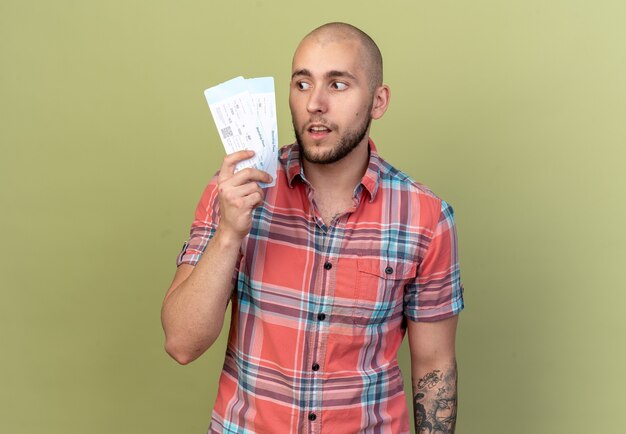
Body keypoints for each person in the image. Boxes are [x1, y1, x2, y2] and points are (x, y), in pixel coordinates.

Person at [161, 22, 464, 434]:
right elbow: (181, 343)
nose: (315, 104)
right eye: (302, 84)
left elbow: (434, 364)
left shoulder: (425, 217)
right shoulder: (233, 193)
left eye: (338, 85)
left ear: (378, 101)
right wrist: (230, 233)